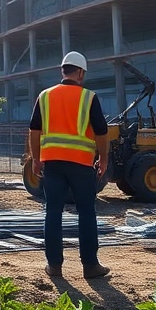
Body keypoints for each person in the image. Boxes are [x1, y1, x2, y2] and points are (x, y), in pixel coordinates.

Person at [28, 51, 111, 280]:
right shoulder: (89, 97)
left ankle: (54, 266)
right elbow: (102, 133)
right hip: (82, 164)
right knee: (86, 212)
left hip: (52, 163)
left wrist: (35, 158)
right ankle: (90, 266)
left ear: (62, 71)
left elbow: (34, 130)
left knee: (53, 211)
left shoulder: (44, 96)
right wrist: (103, 159)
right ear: (81, 72)